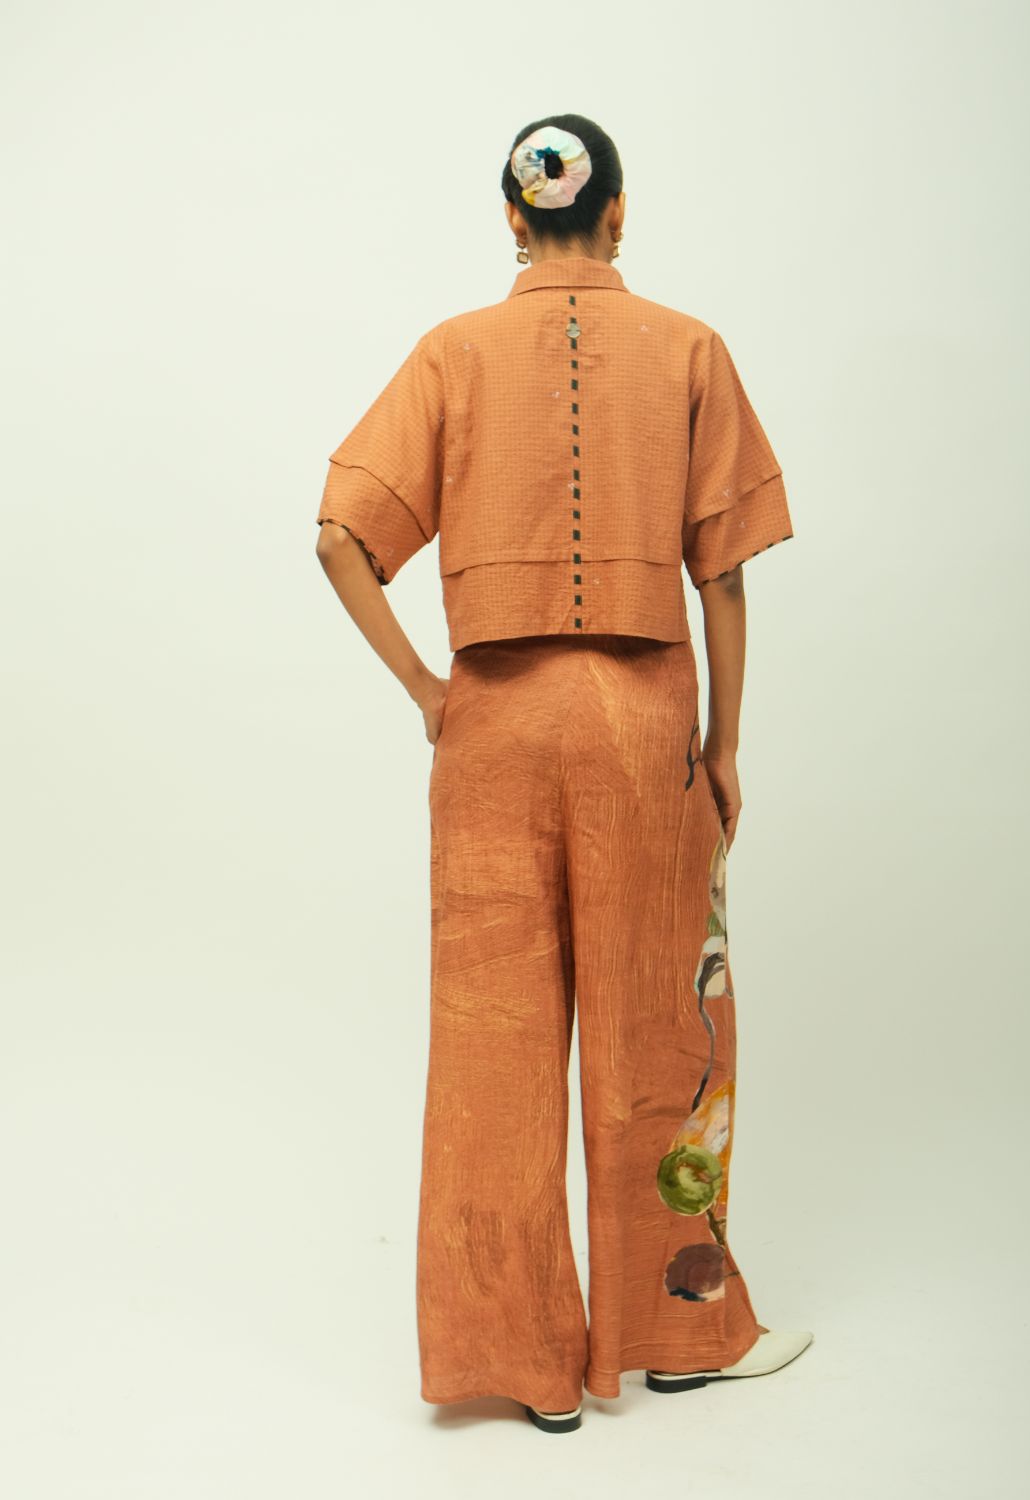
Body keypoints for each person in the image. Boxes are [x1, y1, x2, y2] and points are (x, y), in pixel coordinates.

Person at [313, 113, 813, 1434]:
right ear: (622, 212)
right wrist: (725, 745)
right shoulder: (690, 349)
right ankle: (679, 1333)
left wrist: (429, 691)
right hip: (644, 727)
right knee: (666, 1029)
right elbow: (723, 573)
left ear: (512, 221)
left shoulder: (452, 352)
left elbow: (340, 538)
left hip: (491, 731)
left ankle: (526, 1364)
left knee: (494, 1040)